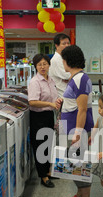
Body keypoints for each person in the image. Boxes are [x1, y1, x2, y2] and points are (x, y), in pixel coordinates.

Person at [59, 45, 94, 197]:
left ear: (67, 61)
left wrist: (78, 133)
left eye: (63, 60)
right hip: (72, 128)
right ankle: (80, 193)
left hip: (77, 130)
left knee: (79, 163)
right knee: (74, 162)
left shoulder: (80, 79)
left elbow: (82, 109)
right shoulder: (76, 78)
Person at [28, 53, 61, 188]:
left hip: (48, 115)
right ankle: (43, 176)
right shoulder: (35, 82)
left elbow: (52, 97)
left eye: (45, 64)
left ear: (49, 65)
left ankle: (48, 170)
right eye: (39, 64)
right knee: (40, 146)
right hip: (38, 118)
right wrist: (51, 105)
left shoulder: (50, 80)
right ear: (35, 66)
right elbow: (32, 102)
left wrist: (57, 101)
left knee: (48, 145)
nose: (42, 67)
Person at [49, 33, 71, 98]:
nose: (67, 45)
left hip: (67, 94)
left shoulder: (64, 58)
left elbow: (70, 76)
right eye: (64, 44)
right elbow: (67, 76)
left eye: (68, 43)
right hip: (62, 96)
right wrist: (70, 76)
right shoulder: (56, 59)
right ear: (56, 45)